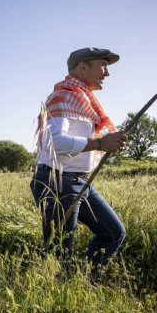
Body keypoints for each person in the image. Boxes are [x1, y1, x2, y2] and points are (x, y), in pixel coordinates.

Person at [31, 47, 128, 278]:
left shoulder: (83, 100)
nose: (107, 73)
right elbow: (53, 143)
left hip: (78, 181)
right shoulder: (65, 95)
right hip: (57, 181)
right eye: (102, 65)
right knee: (59, 249)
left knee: (113, 233)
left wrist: (106, 142)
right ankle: (58, 294)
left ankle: (84, 282)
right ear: (83, 67)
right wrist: (100, 144)